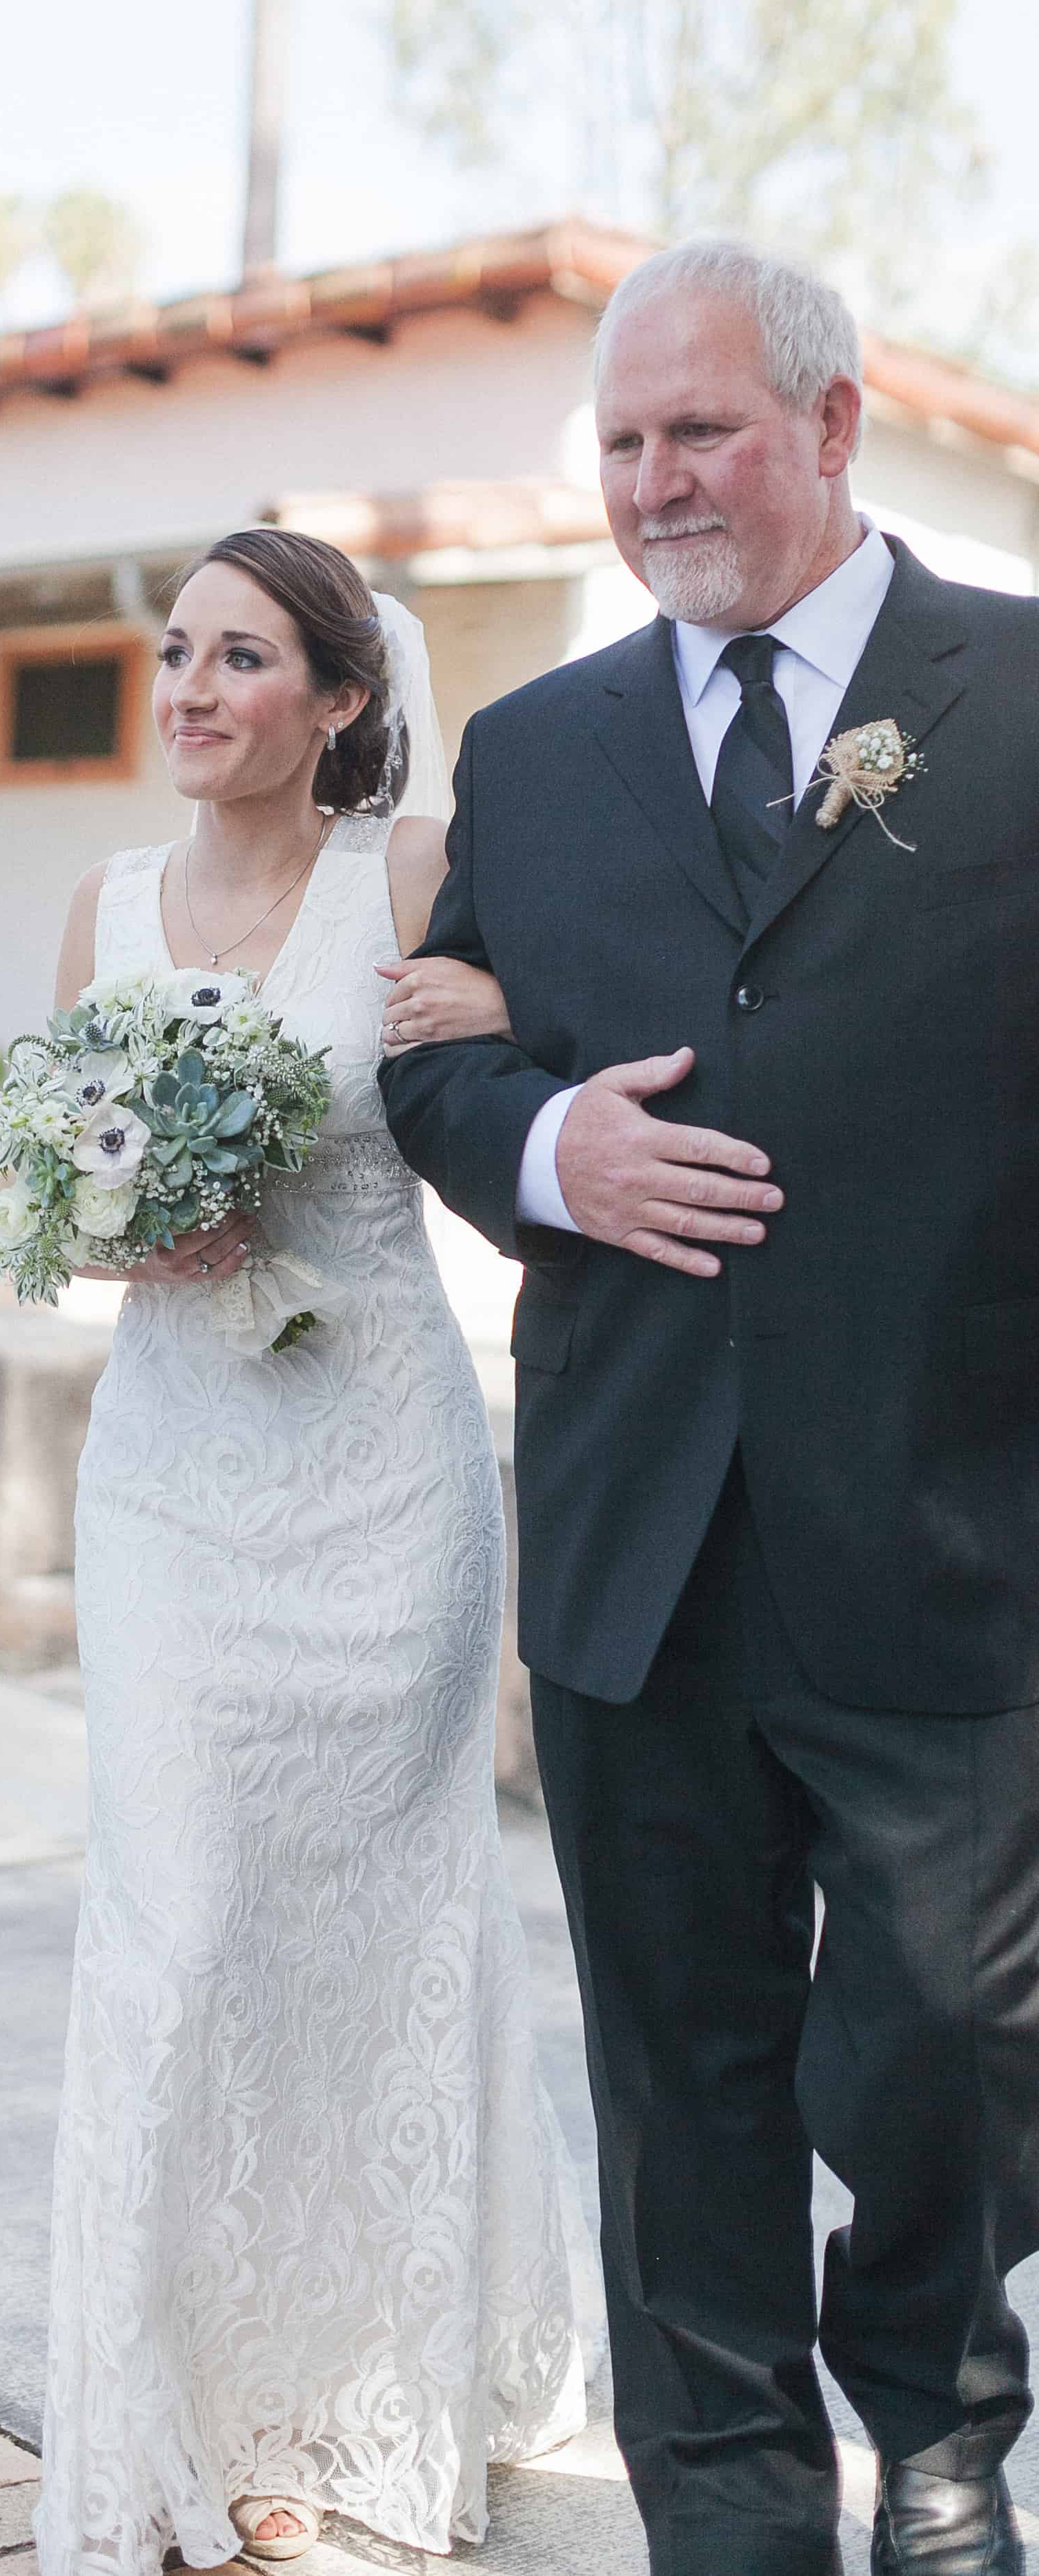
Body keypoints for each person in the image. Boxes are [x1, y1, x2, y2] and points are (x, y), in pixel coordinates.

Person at [382, 237, 1039, 2576]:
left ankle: (943, 2431)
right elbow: (439, 1050)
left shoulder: (1022, 694)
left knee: (960, 2039)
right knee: (680, 2075)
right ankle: (734, 2508)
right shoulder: (535, 752)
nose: (654, 481)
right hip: (639, 1531)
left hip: (956, 1537)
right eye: (626, 440)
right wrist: (547, 1149)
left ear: (834, 426)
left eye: (703, 431)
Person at [36, 528, 588, 2576]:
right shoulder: (101, 908)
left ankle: (347, 2403)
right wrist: (117, 1227)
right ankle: (174, 2415)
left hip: (387, 1497)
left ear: (339, 701)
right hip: (176, 1498)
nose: (187, 685)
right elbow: (41, 1199)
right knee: (180, 1936)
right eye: (174, 649)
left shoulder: (421, 880)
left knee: (370, 1949)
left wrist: (502, 1011)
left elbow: (515, 1085)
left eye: (240, 655)